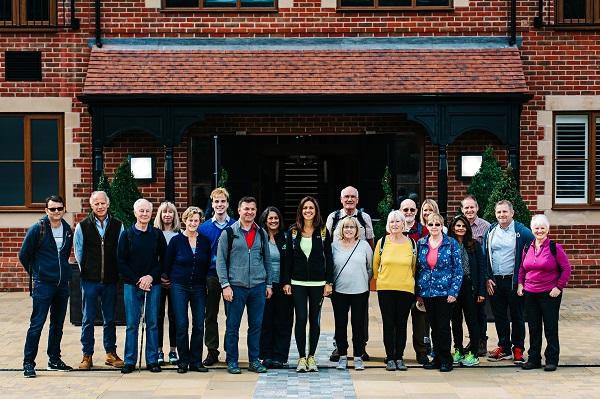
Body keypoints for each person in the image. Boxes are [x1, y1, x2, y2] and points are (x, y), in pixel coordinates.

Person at [216, 196, 272, 374]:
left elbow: (267, 260)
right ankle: (232, 360)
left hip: (257, 286)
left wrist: (268, 284)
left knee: (256, 325)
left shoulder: (261, 233)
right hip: (236, 287)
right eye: (246, 209)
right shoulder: (228, 233)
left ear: (256, 211)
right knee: (233, 325)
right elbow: (221, 262)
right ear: (239, 210)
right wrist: (225, 285)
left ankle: (254, 360)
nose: (249, 212)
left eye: (253, 209)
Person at [19, 195, 74, 378]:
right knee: (37, 324)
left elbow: (64, 256)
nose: (56, 212)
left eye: (59, 208)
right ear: (46, 210)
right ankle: (28, 363)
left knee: (57, 325)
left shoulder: (67, 229)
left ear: (64, 209)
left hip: (62, 285)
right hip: (43, 285)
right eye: (53, 209)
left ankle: (54, 359)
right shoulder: (38, 229)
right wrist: (37, 273)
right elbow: (23, 255)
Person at [74, 191, 124, 370]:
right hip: (89, 280)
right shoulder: (83, 226)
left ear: (108, 204)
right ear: (91, 205)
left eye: (103, 203)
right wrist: (88, 271)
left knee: (109, 318)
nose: (100, 206)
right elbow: (78, 253)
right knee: (87, 318)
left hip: (110, 280)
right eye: (96, 204)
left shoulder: (118, 225)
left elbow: (121, 252)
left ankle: (110, 353)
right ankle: (87, 355)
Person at [283, 196, 333, 373]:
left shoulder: (323, 231)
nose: (308, 211)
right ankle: (301, 358)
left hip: (318, 283)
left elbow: (329, 257)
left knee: (314, 320)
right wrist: (287, 281)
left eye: (311, 208)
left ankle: (312, 357)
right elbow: (288, 258)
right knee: (301, 318)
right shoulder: (293, 232)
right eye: (305, 208)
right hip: (297, 282)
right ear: (301, 211)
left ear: (316, 210)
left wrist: (329, 282)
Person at [117, 199, 168, 374]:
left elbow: (164, 261)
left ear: (151, 213)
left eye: (147, 211)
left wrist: (150, 277)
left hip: (153, 285)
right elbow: (121, 262)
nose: (144, 214)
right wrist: (138, 280)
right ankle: (130, 360)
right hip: (132, 285)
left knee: (152, 323)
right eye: (141, 211)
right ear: (135, 212)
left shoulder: (157, 235)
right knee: (132, 324)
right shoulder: (127, 235)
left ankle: (152, 359)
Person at [325, 185, 375, 362]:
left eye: (353, 197)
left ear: (358, 199)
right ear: (341, 199)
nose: (349, 200)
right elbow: (327, 242)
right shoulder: (333, 217)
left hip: (359, 275)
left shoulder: (364, 217)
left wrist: (365, 277)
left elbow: (370, 242)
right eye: (346, 196)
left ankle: (361, 349)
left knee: (360, 318)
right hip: (340, 277)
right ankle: (340, 348)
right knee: (340, 318)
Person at [517, 215, 572, 372]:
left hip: (549, 294)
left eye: (542, 228)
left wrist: (559, 287)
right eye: (536, 228)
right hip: (530, 293)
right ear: (532, 229)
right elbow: (522, 268)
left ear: (548, 229)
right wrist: (521, 284)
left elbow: (567, 269)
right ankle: (534, 358)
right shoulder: (528, 247)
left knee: (550, 327)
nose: (539, 230)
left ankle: (552, 359)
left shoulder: (555, 248)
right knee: (534, 327)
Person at [484, 200, 534, 364]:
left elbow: (534, 251)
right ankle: (504, 348)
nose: (502, 215)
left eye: (505, 212)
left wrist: (524, 280)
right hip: (496, 282)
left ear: (512, 213)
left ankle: (518, 348)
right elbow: (486, 256)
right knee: (499, 316)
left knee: (517, 316)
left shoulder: (521, 231)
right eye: (499, 212)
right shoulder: (491, 231)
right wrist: (487, 277)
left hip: (514, 281)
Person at [165, 206, 212, 374]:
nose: (193, 223)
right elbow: (167, 263)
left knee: (199, 324)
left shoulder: (205, 241)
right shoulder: (176, 241)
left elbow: (206, 264)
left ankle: (196, 361)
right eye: (190, 220)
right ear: (184, 221)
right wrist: (171, 281)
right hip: (179, 286)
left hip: (199, 286)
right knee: (182, 323)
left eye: (196, 220)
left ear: (200, 222)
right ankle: (183, 361)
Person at [417, 213, 463, 373]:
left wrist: (454, 292)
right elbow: (418, 269)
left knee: (443, 326)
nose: (434, 227)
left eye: (437, 224)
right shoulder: (421, 243)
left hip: (445, 292)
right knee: (434, 327)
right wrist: (419, 291)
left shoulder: (451, 244)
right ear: (427, 226)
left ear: (442, 225)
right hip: (428, 292)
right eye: (431, 224)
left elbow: (458, 270)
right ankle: (436, 358)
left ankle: (446, 359)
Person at [373, 210, 416, 372]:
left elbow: (414, 266)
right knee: (388, 324)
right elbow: (375, 265)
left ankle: (399, 356)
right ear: (388, 225)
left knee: (401, 324)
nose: (395, 225)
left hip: (405, 289)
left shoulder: (411, 243)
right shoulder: (382, 242)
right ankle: (390, 357)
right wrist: (382, 279)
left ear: (403, 224)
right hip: (386, 289)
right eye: (392, 222)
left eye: (398, 221)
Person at [198, 188, 236, 367]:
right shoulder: (204, 228)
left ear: (228, 203)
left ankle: (231, 351)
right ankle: (212, 350)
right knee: (210, 315)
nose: (220, 205)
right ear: (212, 204)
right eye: (216, 202)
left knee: (232, 315)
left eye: (223, 201)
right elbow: (200, 256)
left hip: (232, 277)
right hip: (211, 276)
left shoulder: (236, 226)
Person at [331, 217, 373, 371]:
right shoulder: (333, 246)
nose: (349, 230)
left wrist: (362, 281)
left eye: (352, 227)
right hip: (339, 291)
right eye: (346, 227)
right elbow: (329, 267)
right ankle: (342, 356)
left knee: (358, 325)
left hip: (360, 291)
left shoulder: (364, 246)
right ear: (341, 230)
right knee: (340, 324)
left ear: (357, 230)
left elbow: (370, 268)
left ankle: (357, 356)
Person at [448, 214, 486, 367]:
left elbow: (481, 268)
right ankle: (458, 349)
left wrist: (481, 291)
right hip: (454, 286)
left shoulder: (474, 245)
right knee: (455, 319)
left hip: (470, 285)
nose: (461, 228)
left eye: (463, 226)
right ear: (453, 227)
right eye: (458, 226)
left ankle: (473, 352)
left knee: (472, 319)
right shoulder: (448, 244)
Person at [258, 206, 293, 369]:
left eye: (276, 218)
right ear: (265, 220)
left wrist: (287, 282)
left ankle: (280, 356)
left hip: (282, 287)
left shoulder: (285, 238)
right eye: (270, 218)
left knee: (283, 322)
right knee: (266, 322)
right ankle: (266, 356)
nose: (273, 221)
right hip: (264, 287)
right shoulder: (260, 237)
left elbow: (289, 263)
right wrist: (266, 284)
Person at [399, 198, 430, 365]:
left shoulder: (424, 230)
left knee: (420, 320)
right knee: (399, 320)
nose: (409, 213)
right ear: (400, 211)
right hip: (401, 283)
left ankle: (421, 352)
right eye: (405, 210)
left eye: (412, 210)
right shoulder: (394, 229)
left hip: (419, 283)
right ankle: (397, 352)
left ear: (416, 212)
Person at [460, 194, 491, 356]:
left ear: (477, 208)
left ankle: (481, 342)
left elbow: (489, 255)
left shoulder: (486, 227)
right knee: (469, 312)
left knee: (480, 311)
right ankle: (473, 340)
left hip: (481, 274)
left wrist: (487, 277)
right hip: (466, 275)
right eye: (466, 208)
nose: (469, 210)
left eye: (472, 207)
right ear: (462, 209)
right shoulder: (459, 226)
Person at [153, 201, 180, 366]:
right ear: (160, 215)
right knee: (158, 316)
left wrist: (172, 277)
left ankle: (173, 350)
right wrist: (160, 276)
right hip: (158, 280)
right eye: (164, 212)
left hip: (175, 280)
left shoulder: (180, 234)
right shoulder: (154, 234)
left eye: (171, 212)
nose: (167, 215)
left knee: (174, 316)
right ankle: (158, 350)